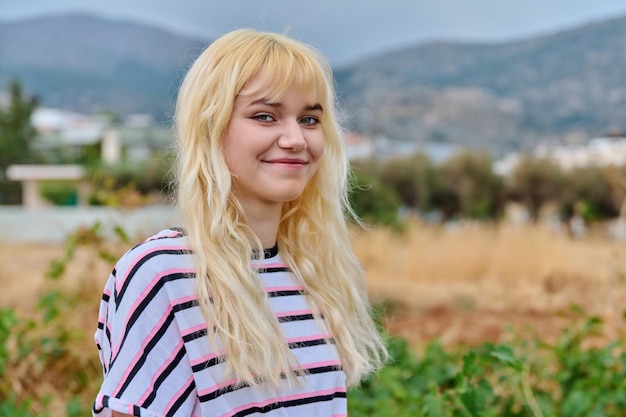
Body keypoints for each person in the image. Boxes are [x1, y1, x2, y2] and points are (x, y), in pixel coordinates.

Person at [92, 28, 387, 417]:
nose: (295, 138)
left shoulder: (314, 273)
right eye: (266, 116)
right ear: (212, 127)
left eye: (310, 119)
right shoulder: (164, 273)